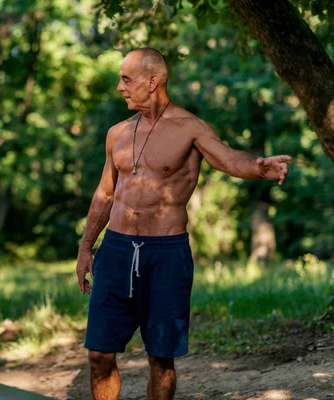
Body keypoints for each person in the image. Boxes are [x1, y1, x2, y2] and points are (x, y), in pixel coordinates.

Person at [75, 48, 291, 399]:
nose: (120, 87)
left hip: (166, 254)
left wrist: (257, 167)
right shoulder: (117, 133)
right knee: (99, 354)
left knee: (161, 358)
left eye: (126, 79)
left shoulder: (190, 128)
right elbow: (104, 194)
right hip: (114, 250)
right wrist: (86, 247)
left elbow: (228, 159)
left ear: (153, 80)